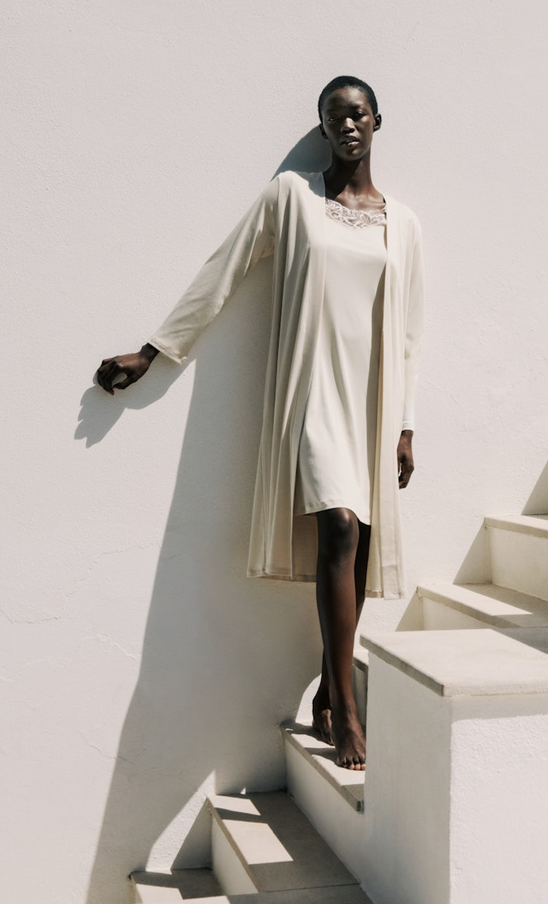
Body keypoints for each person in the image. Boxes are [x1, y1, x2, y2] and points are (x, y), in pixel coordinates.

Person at [96, 77, 424, 771]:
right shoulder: (292, 197)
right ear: (324, 127)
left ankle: (329, 698)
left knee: (359, 540)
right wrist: (153, 352)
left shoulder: (404, 222)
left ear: (377, 120)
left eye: (358, 113)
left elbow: (408, 336)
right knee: (337, 524)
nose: (348, 125)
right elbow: (225, 269)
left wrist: (405, 424)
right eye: (335, 116)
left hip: (372, 398)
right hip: (312, 392)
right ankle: (347, 704)